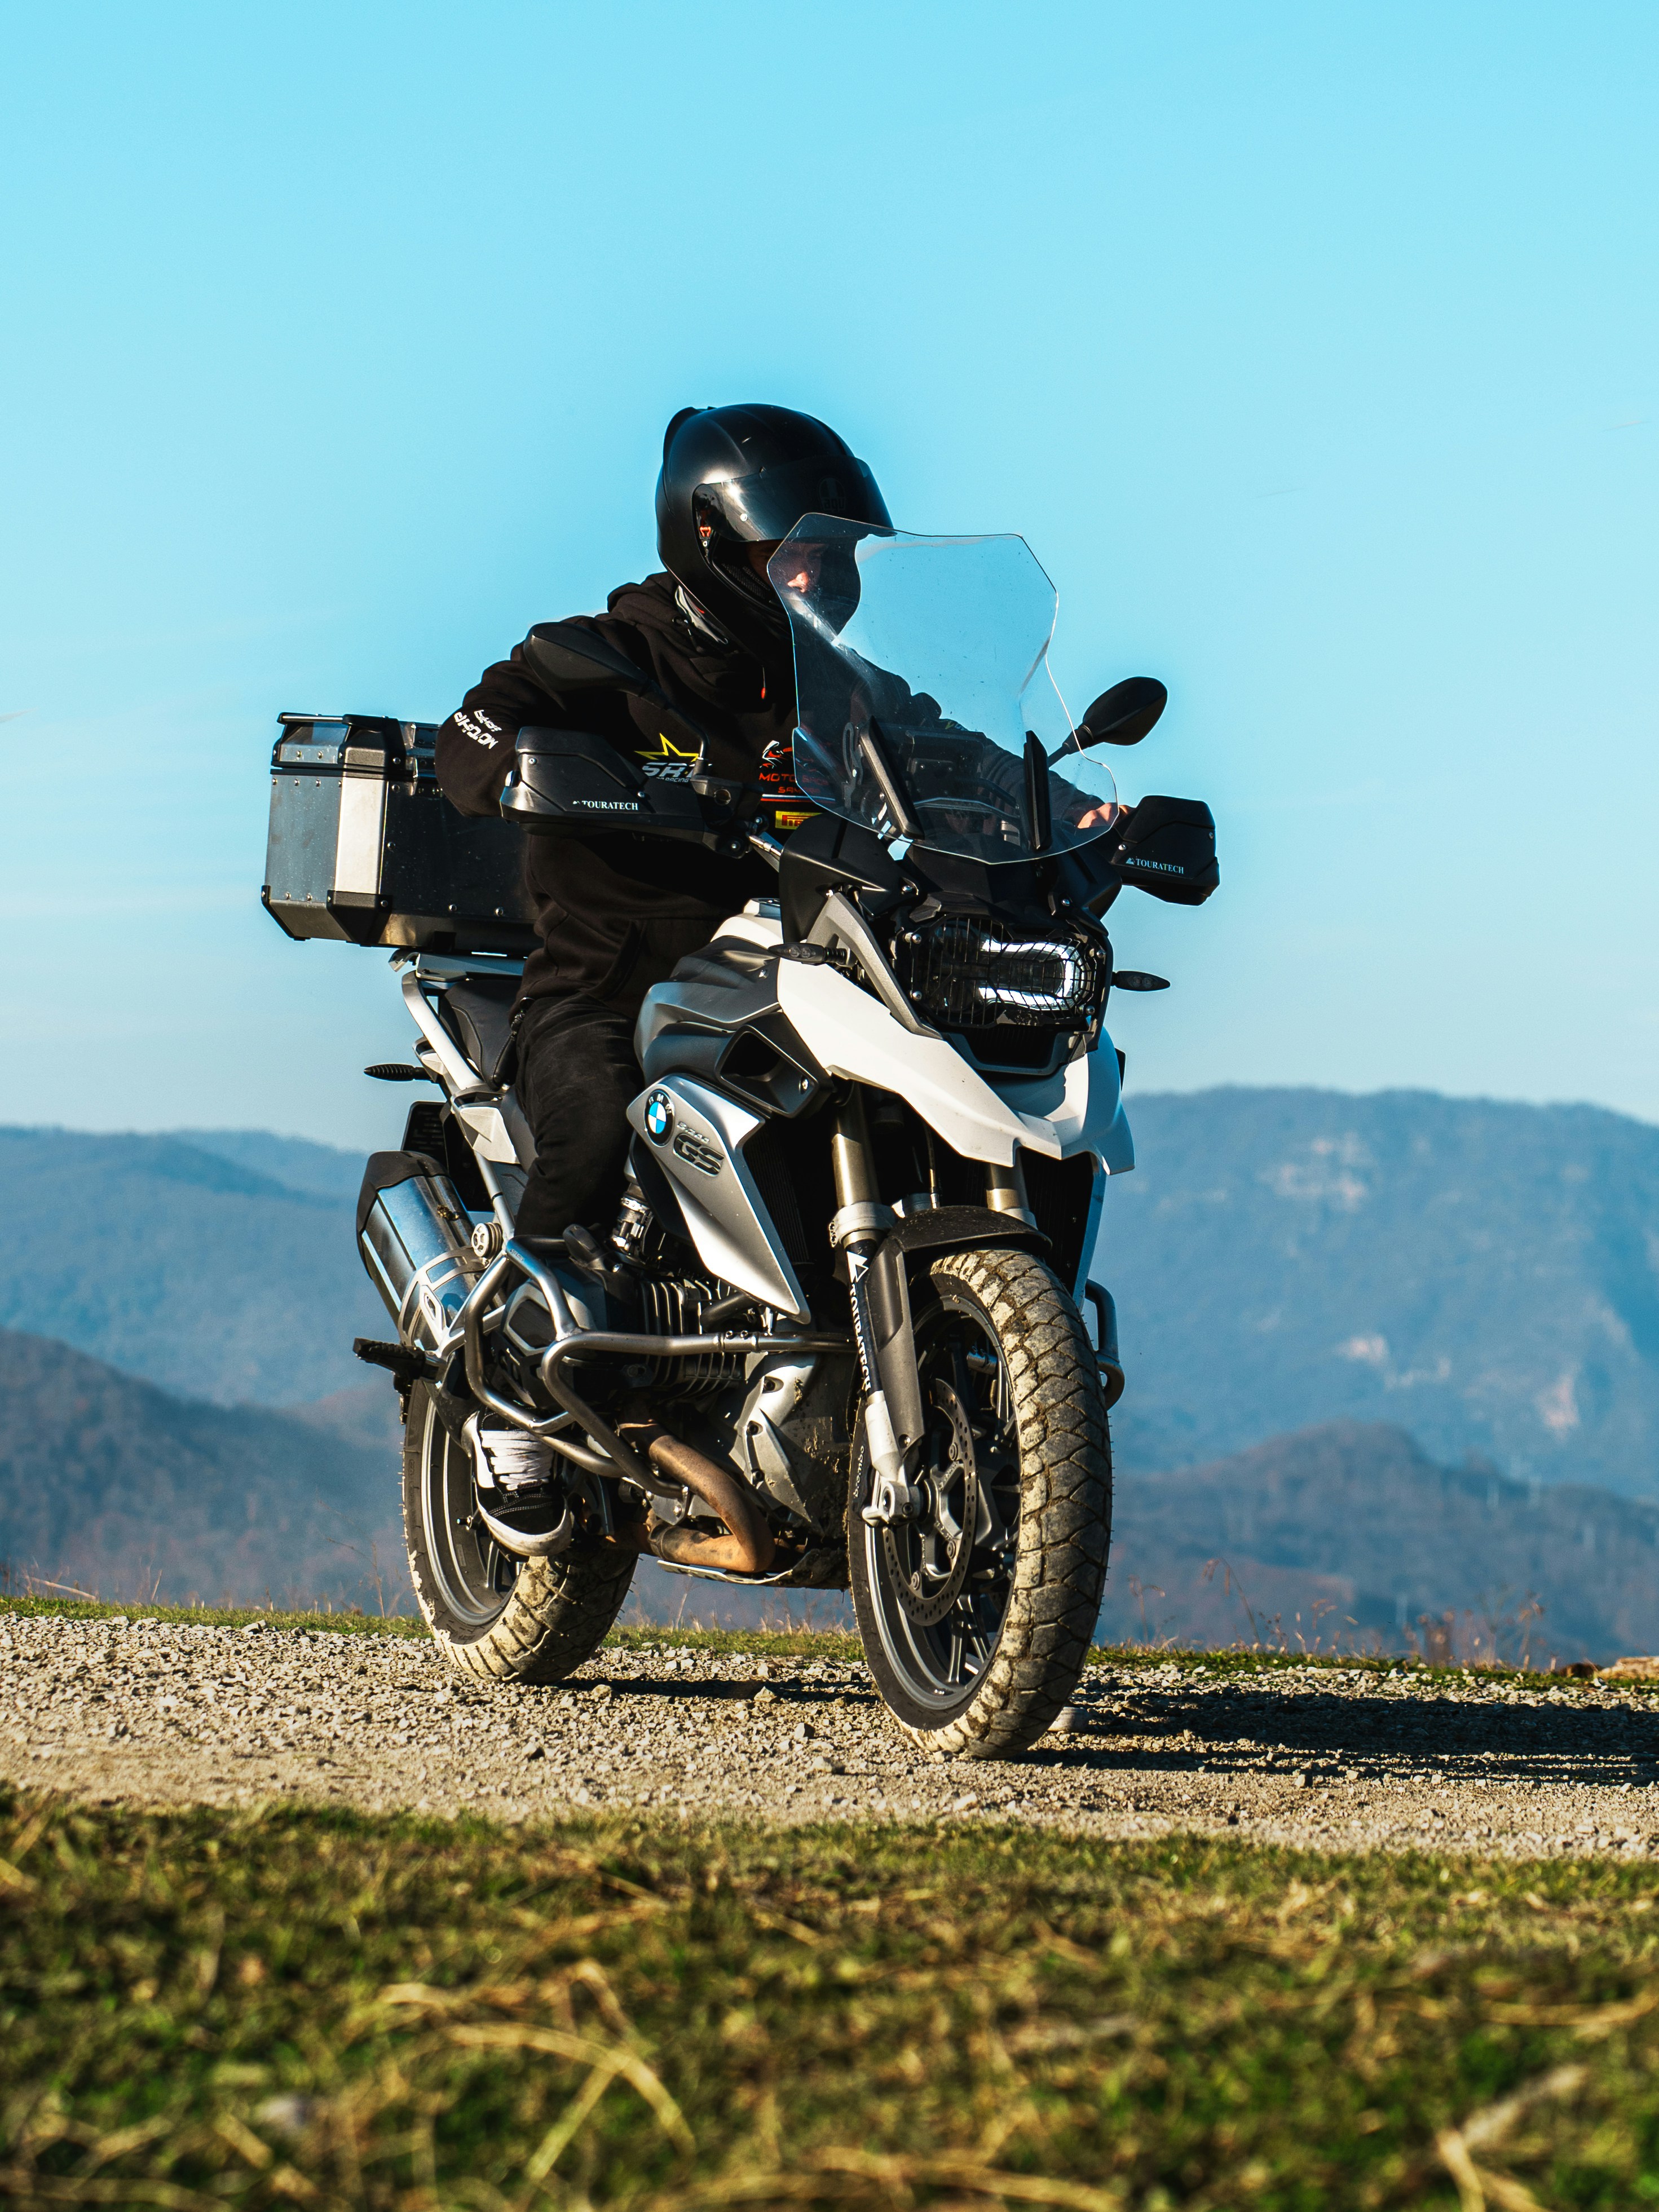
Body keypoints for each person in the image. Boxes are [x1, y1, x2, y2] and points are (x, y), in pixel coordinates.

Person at [434, 403, 892, 1250]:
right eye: (788, 556)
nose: (814, 580)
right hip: (610, 990)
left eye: (831, 559)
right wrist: (521, 770)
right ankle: (531, 1333)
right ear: (710, 542)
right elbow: (473, 732)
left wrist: (1068, 808)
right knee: (599, 1128)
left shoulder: (848, 685)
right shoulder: (605, 658)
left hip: (794, 988)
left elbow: (953, 751)